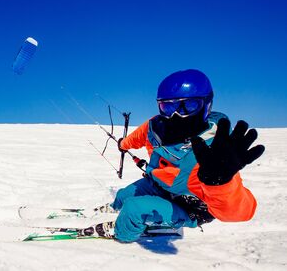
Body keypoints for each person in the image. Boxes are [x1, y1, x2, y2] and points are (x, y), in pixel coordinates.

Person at [111, 69, 265, 242]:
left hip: (188, 206)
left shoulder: (215, 151)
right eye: (168, 106)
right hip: (158, 185)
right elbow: (137, 137)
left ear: (207, 104)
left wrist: (219, 183)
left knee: (133, 209)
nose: (177, 114)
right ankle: (114, 209)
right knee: (123, 196)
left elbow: (239, 213)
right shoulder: (155, 127)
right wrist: (122, 144)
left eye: (189, 105)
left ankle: (120, 236)